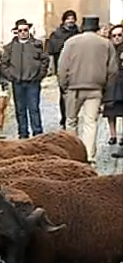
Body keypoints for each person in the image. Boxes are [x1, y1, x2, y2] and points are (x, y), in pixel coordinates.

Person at [58, 15, 117, 163]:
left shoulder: (71, 42)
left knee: (71, 122)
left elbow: (62, 67)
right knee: (91, 123)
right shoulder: (106, 44)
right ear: (96, 28)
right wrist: (106, 89)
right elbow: (112, 71)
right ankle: (89, 156)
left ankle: (73, 155)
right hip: (95, 89)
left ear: (82, 27)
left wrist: (64, 86)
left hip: (74, 88)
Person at [0, 19, 50, 138]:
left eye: (25, 30)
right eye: (20, 30)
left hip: (33, 82)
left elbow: (45, 60)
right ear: (16, 32)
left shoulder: (37, 45)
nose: (23, 32)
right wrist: (11, 76)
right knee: (20, 109)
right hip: (17, 83)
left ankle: (37, 133)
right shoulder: (10, 47)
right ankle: (23, 133)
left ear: (29, 30)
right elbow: (4, 64)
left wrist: (39, 75)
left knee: (34, 108)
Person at [46, 10, 80, 128]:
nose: (70, 21)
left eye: (72, 18)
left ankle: (73, 117)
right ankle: (64, 118)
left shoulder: (78, 33)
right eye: (68, 18)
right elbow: (51, 51)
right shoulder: (57, 34)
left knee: (77, 95)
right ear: (64, 20)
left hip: (77, 68)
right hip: (62, 68)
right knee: (64, 95)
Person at [103, 25, 123, 146]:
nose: (117, 38)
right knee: (110, 112)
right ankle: (113, 135)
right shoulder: (107, 49)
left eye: (119, 35)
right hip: (110, 84)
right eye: (114, 35)